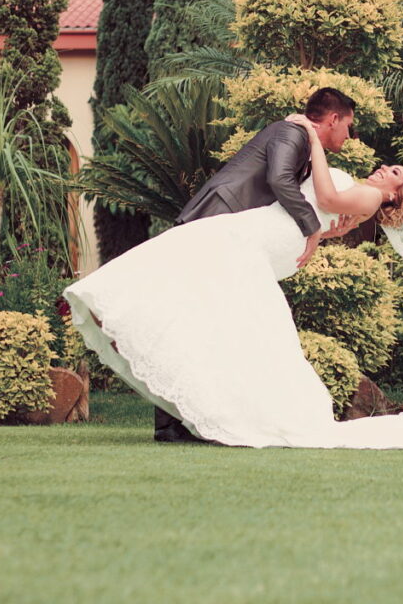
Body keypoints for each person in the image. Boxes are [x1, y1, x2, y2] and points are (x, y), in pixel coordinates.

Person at [63, 94, 403, 450]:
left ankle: (186, 412)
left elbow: (325, 201)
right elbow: (322, 209)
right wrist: (319, 230)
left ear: (397, 197)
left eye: (394, 175)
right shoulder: (341, 177)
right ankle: (186, 417)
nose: (382, 169)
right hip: (258, 233)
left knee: (193, 297)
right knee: (204, 317)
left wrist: (313, 153)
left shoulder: (362, 190)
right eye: (388, 166)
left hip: (259, 236)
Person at [152, 88, 359, 442]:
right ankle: (172, 425)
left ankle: (184, 422)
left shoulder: (301, 142)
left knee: (208, 327)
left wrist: (326, 230)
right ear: (333, 119)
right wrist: (311, 227)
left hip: (226, 231)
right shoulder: (290, 132)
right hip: (214, 222)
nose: (350, 137)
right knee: (194, 325)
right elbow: (278, 179)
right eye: (349, 127)